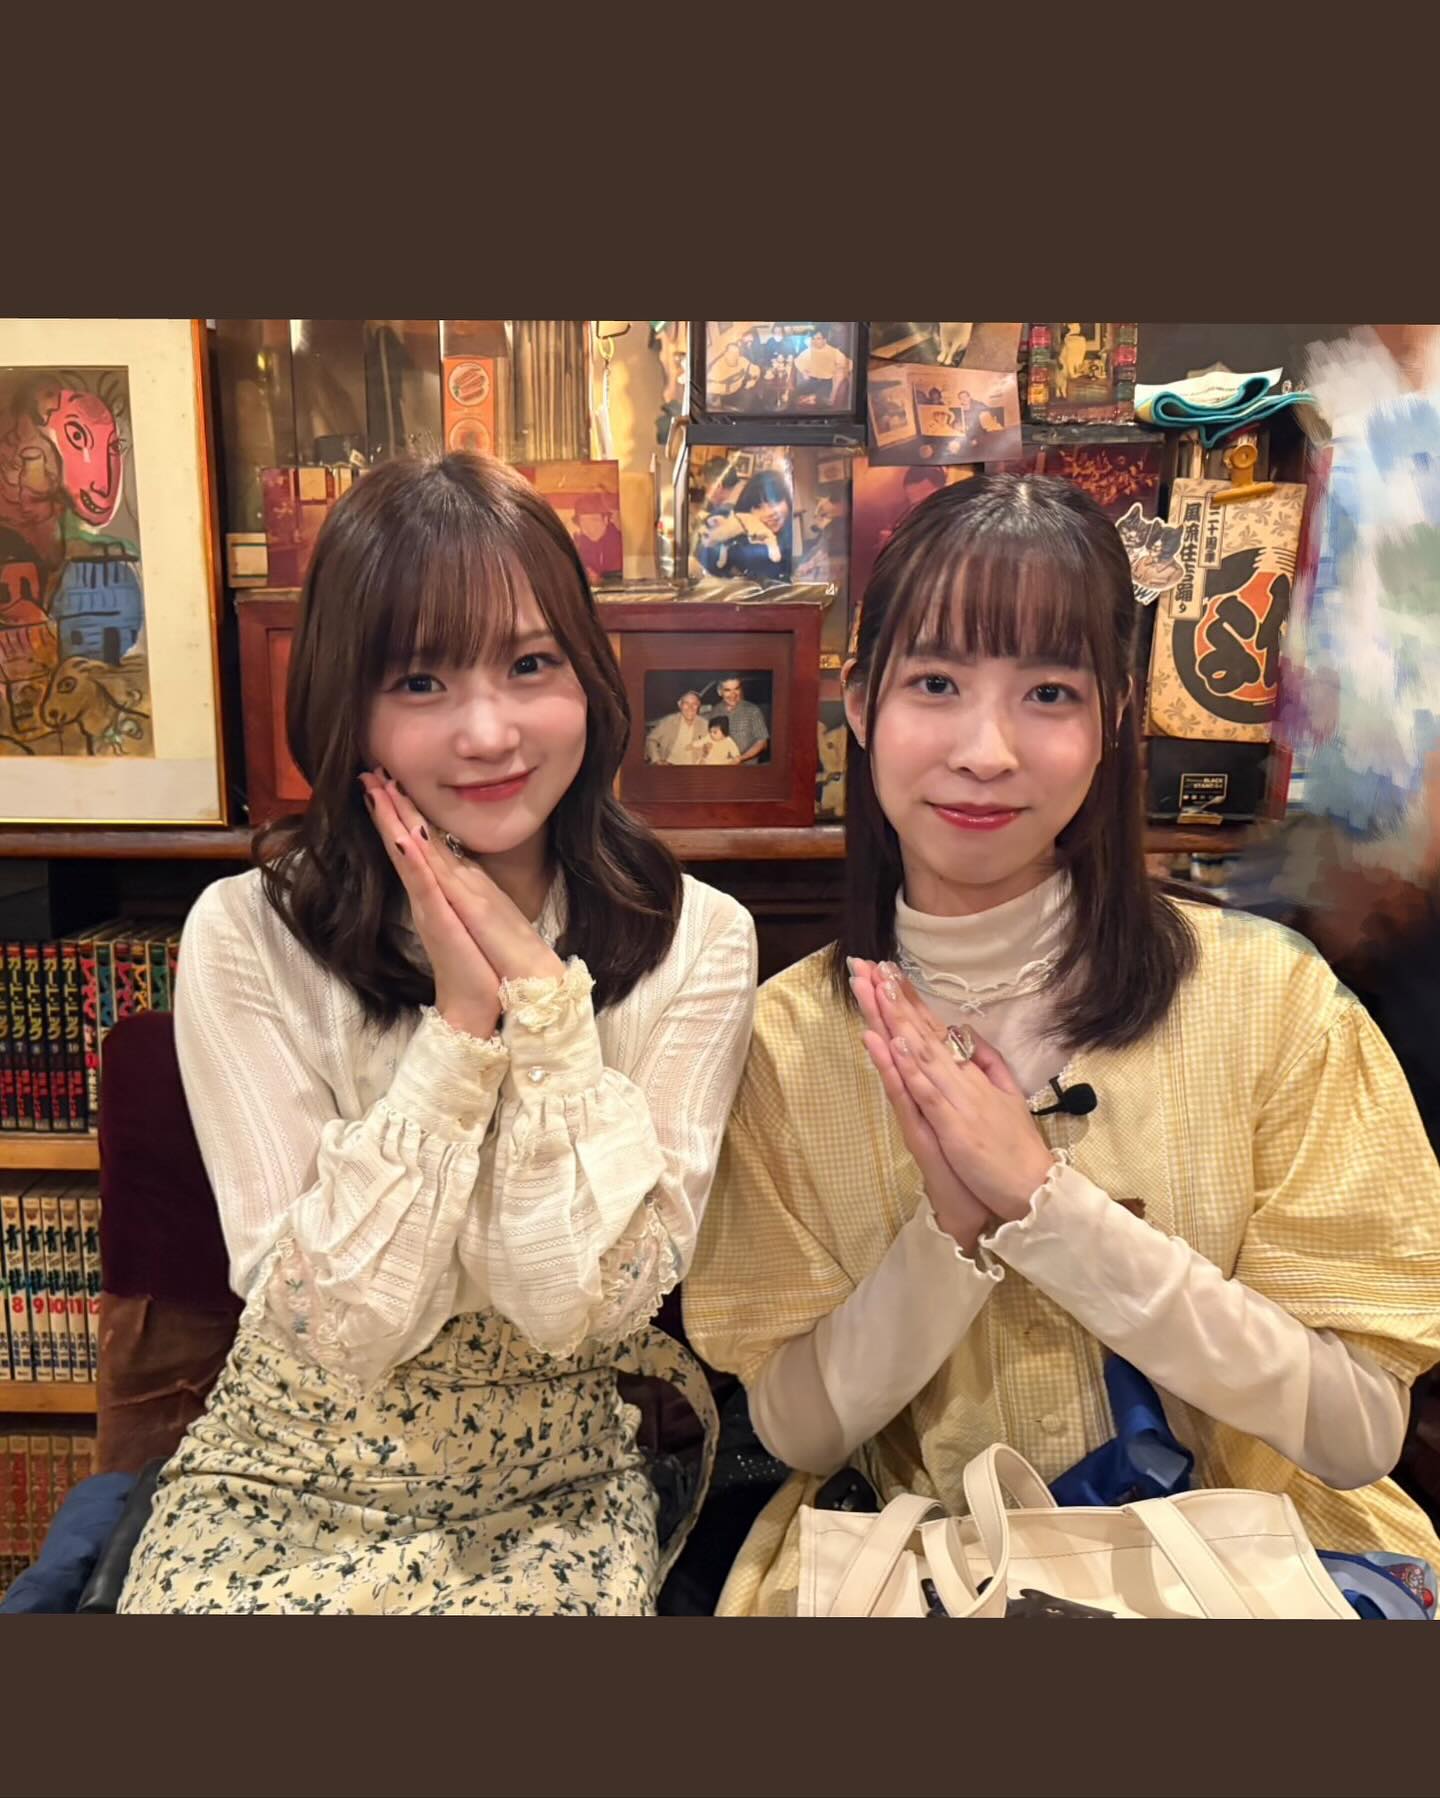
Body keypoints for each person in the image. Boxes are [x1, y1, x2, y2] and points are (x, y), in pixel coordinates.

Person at [684, 472, 1440, 1616]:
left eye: (1048, 692)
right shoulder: (788, 1041)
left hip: (1251, 1569)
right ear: (860, 702)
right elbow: (796, 1427)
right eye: (937, 684)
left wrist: (1049, 1207)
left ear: (1115, 717)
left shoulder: (1272, 1001)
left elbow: (1360, 1427)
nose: (986, 750)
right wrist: (948, 1232)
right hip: (943, 1569)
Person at [117, 452, 757, 1615]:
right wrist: (459, 1033)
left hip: (556, 1474)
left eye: (530, 665)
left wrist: (545, 1009)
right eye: (421, 680)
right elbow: (337, 1327)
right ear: (346, 703)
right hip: (282, 1466)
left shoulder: (697, 938)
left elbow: (574, 1308)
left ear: (589, 677)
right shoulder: (246, 933)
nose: (489, 731)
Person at [695, 470, 794, 586]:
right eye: (758, 507)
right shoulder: (739, 542)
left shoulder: (794, 539)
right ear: (747, 512)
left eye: (776, 501)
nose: (770, 512)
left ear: (788, 500)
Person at [706, 675, 769, 765]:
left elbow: (762, 741)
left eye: (736, 689)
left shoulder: (752, 710)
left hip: (747, 766)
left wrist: (741, 758)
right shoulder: (715, 711)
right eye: (727, 690)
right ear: (720, 692)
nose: (733, 695)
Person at [644, 689, 708, 766]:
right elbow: (651, 739)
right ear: (680, 705)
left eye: (694, 704)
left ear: (698, 706)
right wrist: (657, 760)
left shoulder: (705, 724)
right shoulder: (669, 721)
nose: (690, 707)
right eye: (686, 703)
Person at [569, 493, 623, 584]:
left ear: (606, 519)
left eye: (593, 521)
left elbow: (620, 578)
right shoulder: (580, 544)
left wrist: (600, 580)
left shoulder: (619, 543)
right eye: (583, 523)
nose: (589, 528)